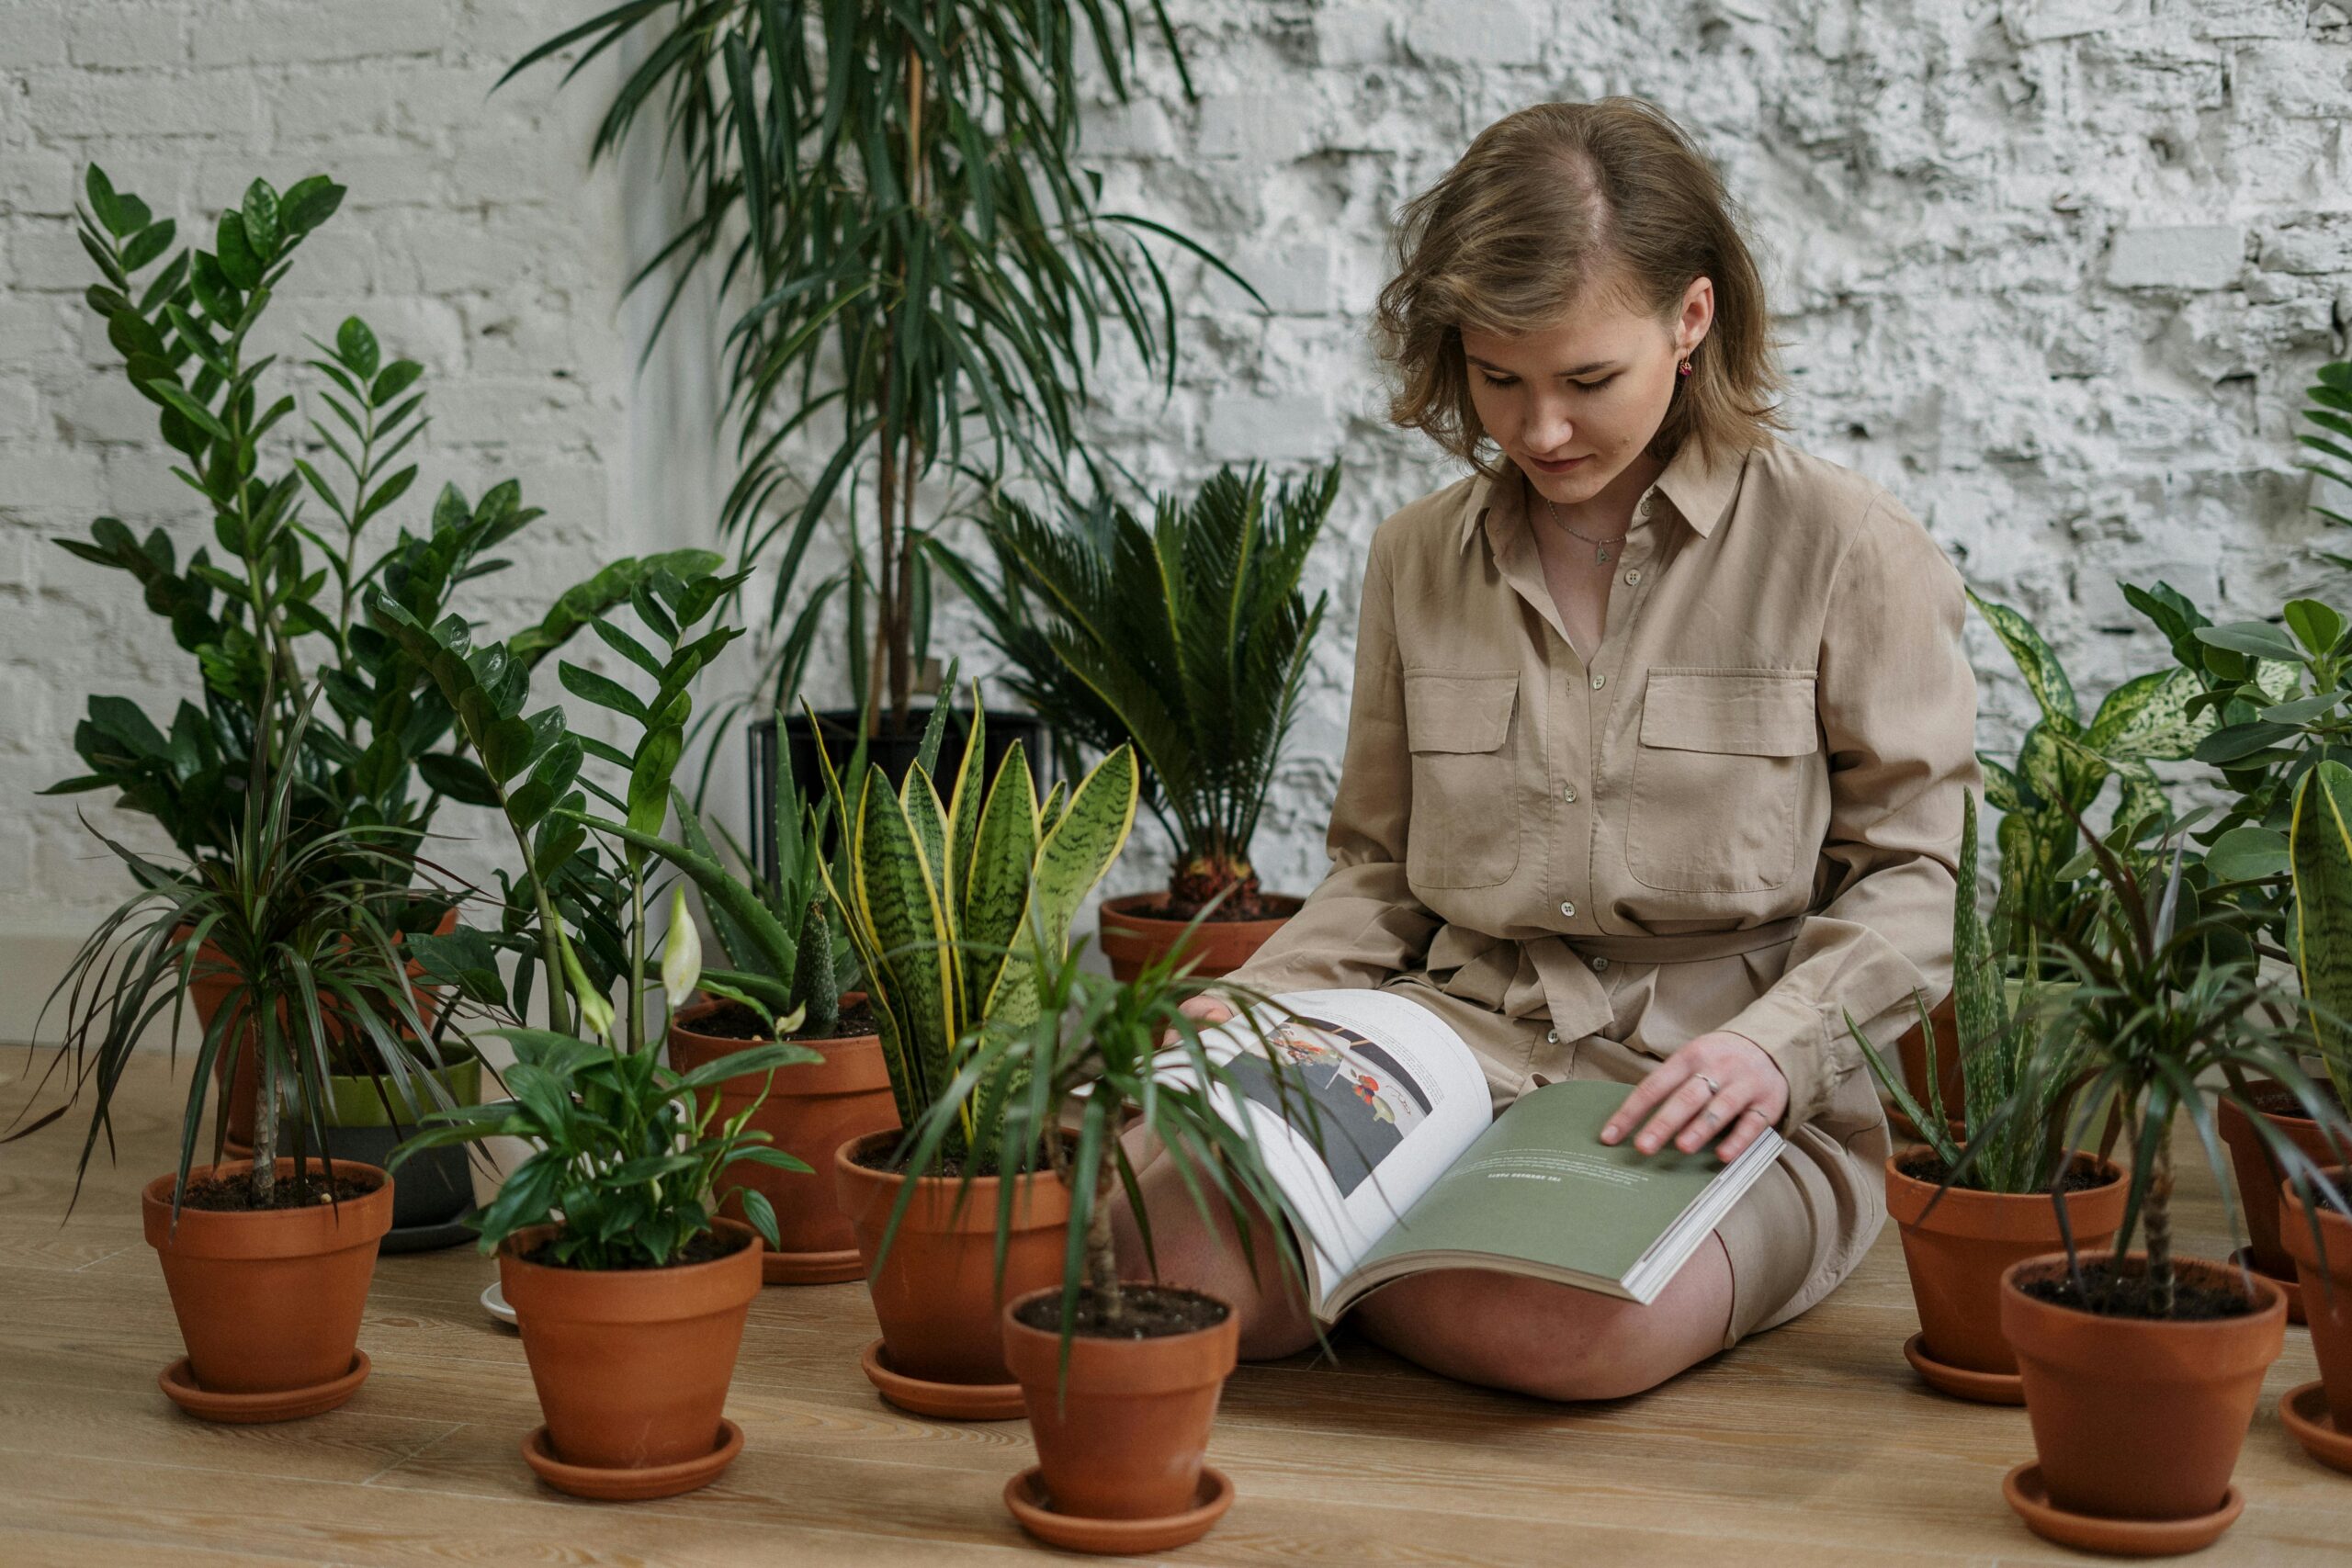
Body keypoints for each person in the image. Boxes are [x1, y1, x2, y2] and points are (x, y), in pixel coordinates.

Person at [1114, 96, 1978, 1401]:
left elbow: (1917, 877)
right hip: (1447, 1044)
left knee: (1568, 1331)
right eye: (1497, 379)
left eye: (1587, 381)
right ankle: (1376, 1246)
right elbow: (1376, 872)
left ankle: (1338, 1266)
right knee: (1143, 1226)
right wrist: (1252, 1009)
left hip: (1721, 1085)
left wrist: (1772, 1048)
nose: (1540, 431)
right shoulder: (1418, 555)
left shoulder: (1847, 549)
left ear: (1690, 322)